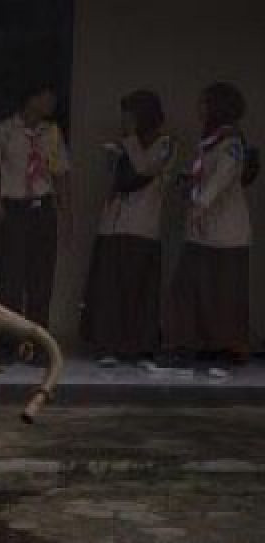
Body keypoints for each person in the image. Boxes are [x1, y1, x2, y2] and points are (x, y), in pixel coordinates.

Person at [163, 82, 255, 377]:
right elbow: (204, 175)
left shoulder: (231, 142)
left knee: (223, 293)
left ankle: (225, 349)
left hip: (225, 232)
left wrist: (200, 203)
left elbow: (222, 180)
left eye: (204, 103)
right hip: (201, 230)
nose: (199, 109)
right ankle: (186, 345)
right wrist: (187, 180)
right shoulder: (209, 142)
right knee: (189, 290)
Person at [81, 90, 176, 367]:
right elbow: (116, 179)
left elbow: (145, 170)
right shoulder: (123, 144)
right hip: (112, 224)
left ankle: (137, 346)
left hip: (141, 227)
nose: (125, 122)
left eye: (130, 116)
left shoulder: (165, 143)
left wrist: (130, 141)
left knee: (137, 288)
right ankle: (107, 344)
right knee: (109, 288)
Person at [0, 81, 71, 340]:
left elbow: (61, 174)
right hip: (15, 209)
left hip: (43, 209)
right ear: (32, 99)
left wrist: (65, 214)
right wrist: (1, 213)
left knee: (41, 280)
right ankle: (10, 342)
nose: (52, 101)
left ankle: (36, 343)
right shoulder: (4, 131)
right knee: (11, 280)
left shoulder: (52, 132)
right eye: (46, 96)